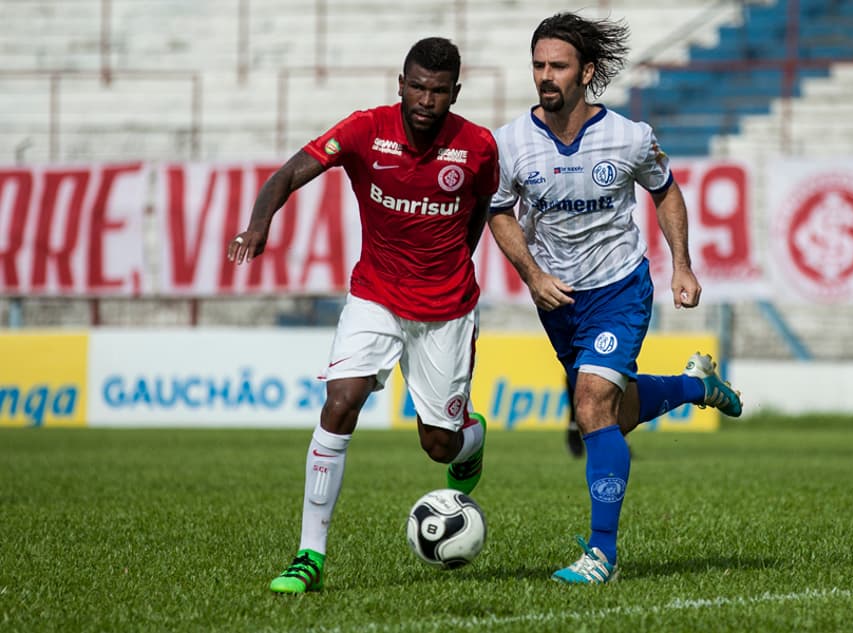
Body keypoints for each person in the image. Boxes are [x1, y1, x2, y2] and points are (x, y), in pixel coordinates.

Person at [228, 37, 499, 593]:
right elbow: (285, 175)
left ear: (456, 93)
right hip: (375, 295)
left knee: (438, 446)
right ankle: (309, 555)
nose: (426, 100)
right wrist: (260, 225)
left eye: (439, 91)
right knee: (340, 402)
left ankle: (470, 439)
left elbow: (481, 213)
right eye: (417, 87)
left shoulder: (477, 146)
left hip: (445, 310)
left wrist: (451, 265)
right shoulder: (364, 129)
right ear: (400, 85)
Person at [488, 13, 743, 585]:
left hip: (621, 288)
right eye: (538, 65)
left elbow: (666, 191)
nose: (545, 77)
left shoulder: (629, 136)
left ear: (588, 72)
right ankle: (697, 387)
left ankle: (601, 554)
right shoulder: (509, 142)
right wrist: (531, 274)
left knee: (591, 406)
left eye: (557, 66)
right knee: (613, 413)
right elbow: (498, 211)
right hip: (557, 299)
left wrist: (681, 264)